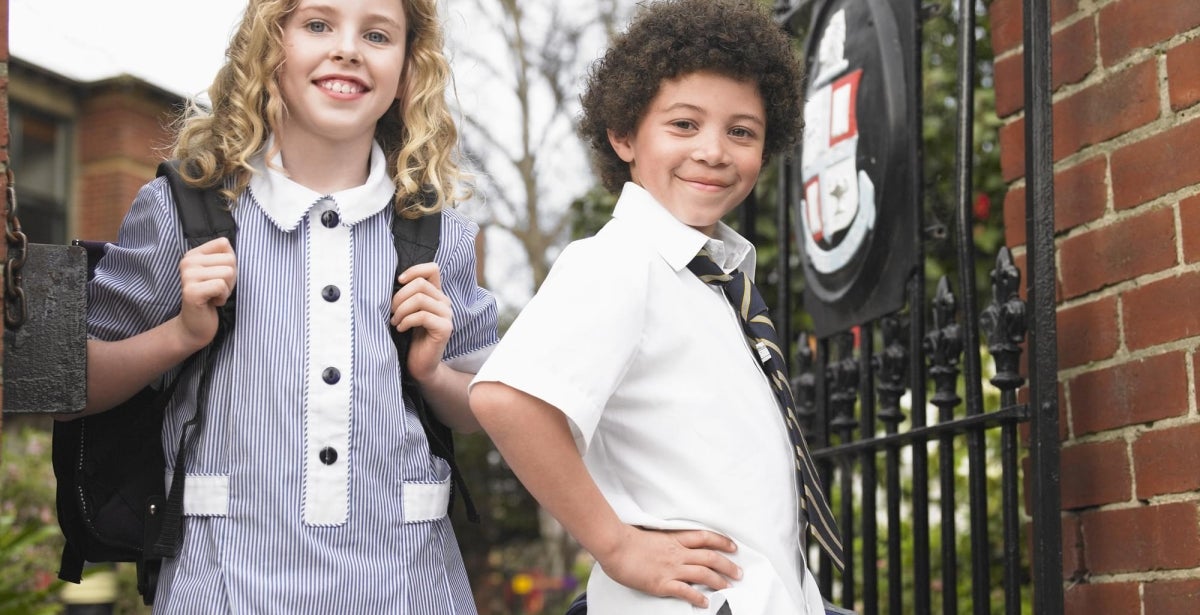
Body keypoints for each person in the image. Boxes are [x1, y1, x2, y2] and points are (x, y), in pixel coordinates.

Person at [81, 0, 496, 611]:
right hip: (221, 585)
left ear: (409, 70)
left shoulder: (440, 235)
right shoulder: (182, 211)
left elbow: (480, 411)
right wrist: (181, 334)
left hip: (409, 587)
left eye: (377, 34)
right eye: (319, 25)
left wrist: (432, 373)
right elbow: (77, 386)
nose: (348, 48)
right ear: (269, 45)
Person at [470, 1, 844, 613]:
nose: (715, 151)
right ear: (623, 135)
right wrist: (615, 545)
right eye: (684, 125)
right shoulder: (619, 261)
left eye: (741, 131)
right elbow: (507, 398)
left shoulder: (714, 281)